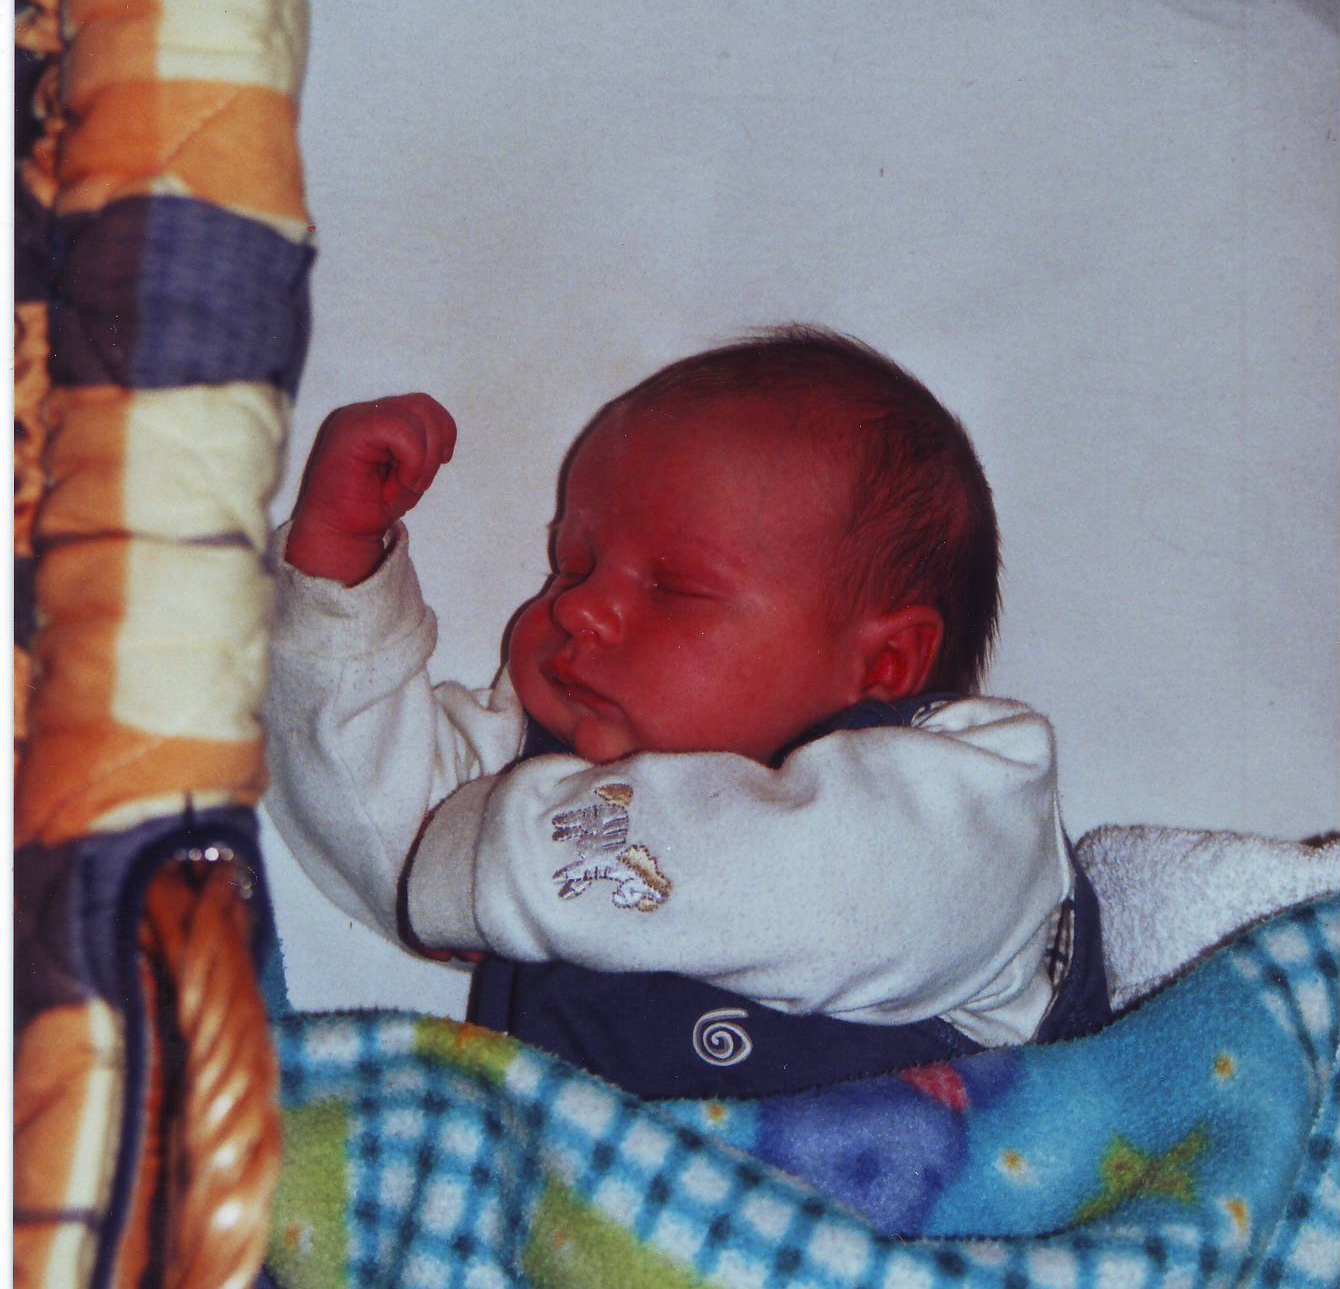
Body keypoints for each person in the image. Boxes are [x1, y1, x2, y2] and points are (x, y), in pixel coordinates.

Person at [264, 328, 1108, 1097]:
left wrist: (501, 858)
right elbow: (407, 849)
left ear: (882, 668)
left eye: (673, 588)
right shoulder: (549, 770)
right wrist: (338, 572)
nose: (578, 608)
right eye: (570, 567)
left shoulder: (962, 807)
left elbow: (827, 889)